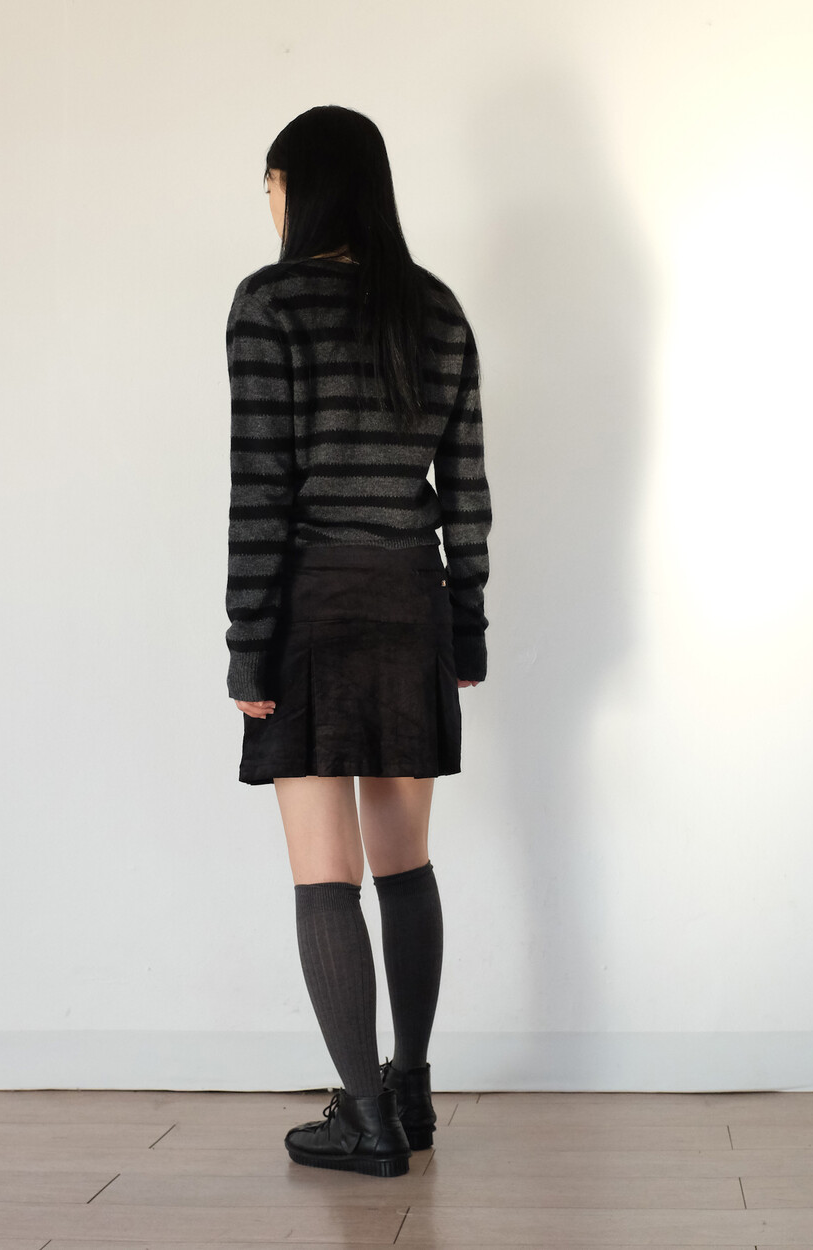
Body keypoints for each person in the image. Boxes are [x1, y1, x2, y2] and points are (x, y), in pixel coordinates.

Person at [224, 105, 492, 1178]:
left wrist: (248, 644)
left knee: (324, 873)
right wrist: (465, 622)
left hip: (313, 608)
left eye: (270, 186)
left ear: (298, 187)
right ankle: (411, 1090)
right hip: (410, 602)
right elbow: (464, 488)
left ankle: (366, 1119)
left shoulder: (270, 304)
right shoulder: (436, 309)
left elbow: (261, 489)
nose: (269, 205)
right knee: (405, 860)